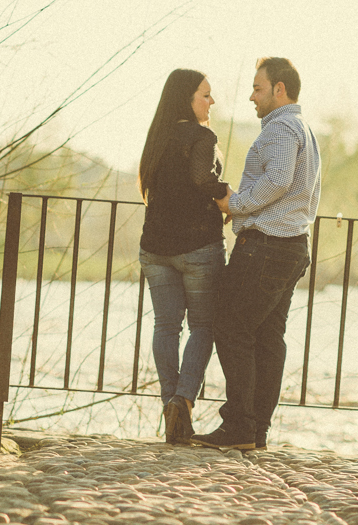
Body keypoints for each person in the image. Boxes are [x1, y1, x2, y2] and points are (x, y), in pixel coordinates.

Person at [192, 57, 321, 452]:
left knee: (231, 326)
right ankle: (255, 431)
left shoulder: (282, 127)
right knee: (267, 336)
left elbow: (278, 179)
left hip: (266, 246)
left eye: (258, 88)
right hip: (292, 245)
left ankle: (240, 428)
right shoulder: (303, 128)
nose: (252, 96)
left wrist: (237, 204)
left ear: (280, 89)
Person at [138, 69, 228, 443]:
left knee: (166, 327)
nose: (211, 102)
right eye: (205, 95)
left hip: (155, 249)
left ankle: (169, 405)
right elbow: (202, 180)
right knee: (204, 326)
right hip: (198, 248)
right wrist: (233, 203)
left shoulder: (156, 137)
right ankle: (183, 399)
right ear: (187, 99)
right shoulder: (202, 136)